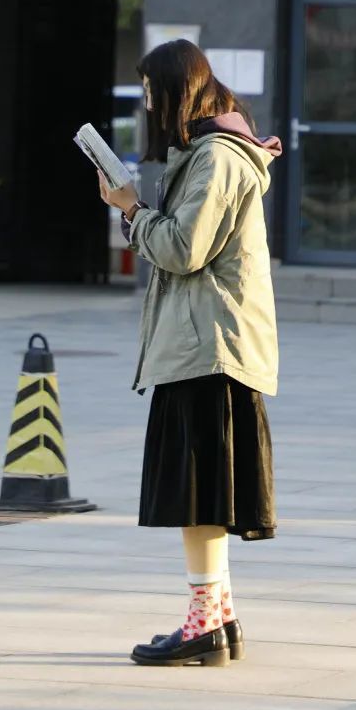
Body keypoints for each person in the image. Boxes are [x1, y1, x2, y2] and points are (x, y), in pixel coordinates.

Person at [97, 40, 281, 667]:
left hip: (210, 352)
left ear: (177, 91)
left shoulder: (217, 159)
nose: (147, 104)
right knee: (201, 497)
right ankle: (219, 620)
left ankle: (204, 624)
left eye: (151, 91)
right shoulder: (210, 155)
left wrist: (130, 211)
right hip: (204, 347)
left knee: (199, 499)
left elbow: (183, 250)